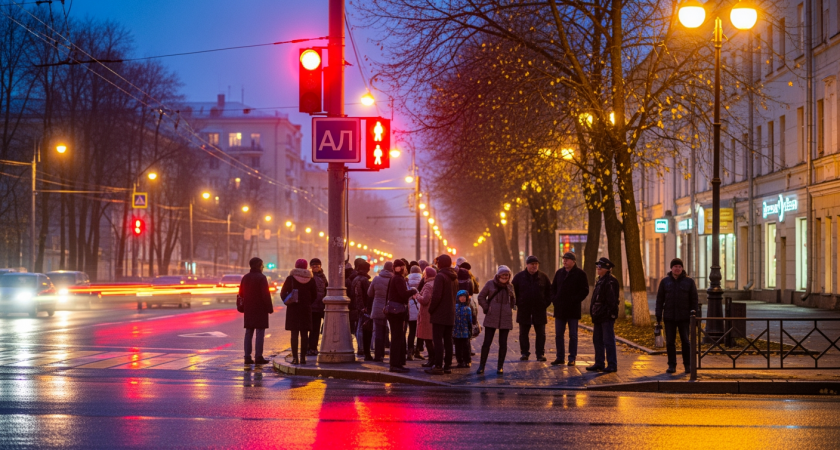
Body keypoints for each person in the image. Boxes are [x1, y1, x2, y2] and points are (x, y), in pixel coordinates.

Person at [656, 258, 699, 374]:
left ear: (682, 268)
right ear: (671, 268)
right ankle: (672, 365)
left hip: (684, 317)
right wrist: (658, 316)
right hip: (669, 317)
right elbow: (659, 299)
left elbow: (694, 299)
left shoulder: (689, 282)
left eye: (679, 267)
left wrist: (695, 315)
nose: (677, 268)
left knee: (686, 341)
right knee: (670, 342)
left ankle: (688, 365)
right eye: (675, 266)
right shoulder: (665, 282)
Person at [550, 252, 590, 366]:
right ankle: (560, 357)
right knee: (558, 334)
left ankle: (572, 357)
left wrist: (574, 300)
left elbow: (585, 290)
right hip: (560, 309)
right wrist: (554, 299)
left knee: (573, 335)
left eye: (567, 259)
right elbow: (553, 288)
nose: (564, 261)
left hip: (573, 309)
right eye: (563, 259)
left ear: (573, 261)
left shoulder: (580, 274)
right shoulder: (559, 273)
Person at [477, 265, 516, 374]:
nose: (505, 277)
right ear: (498, 275)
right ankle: (481, 366)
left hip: (505, 318)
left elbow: (513, 301)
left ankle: (500, 367)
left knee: (503, 343)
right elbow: (481, 297)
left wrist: (509, 308)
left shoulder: (510, 286)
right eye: (503, 275)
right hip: (491, 316)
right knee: (487, 342)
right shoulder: (490, 284)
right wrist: (486, 308)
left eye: (507, 275)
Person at [512, 256, 552, 362]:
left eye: (536, 264)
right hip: (524, 310)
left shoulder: (543, 277)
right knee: (523, 333)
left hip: (539, 310)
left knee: (541, 333)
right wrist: (518, 303)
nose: (534, 266)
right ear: (527, 264)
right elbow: (512, 292)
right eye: (532, 264)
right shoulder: (519, 277)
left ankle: (540, 354)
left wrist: (545, 303)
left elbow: (550, 292)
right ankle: (525, 353)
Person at [279, 259, 317, 365]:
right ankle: (303, 358)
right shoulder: (311, 279)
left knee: (294, 334)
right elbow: (314, 295)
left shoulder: (290, 278)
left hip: (293, 309)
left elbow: (283, 293)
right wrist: (307, 302)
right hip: (306, 309)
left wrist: (288, 301)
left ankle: (295, 358)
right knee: (304, 334)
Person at [586, 257, 620, 373]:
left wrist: (609, 314)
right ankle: (599, 363)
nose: (598, 269)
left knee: (608, 340)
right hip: (598, 315)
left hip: (605, 316)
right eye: (598, 267)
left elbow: (612, 301)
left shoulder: (610, 281)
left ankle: (612, 364)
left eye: (600, 267)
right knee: (597, 340)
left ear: (607, 269)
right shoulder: (600, 280)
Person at [425, 254, 457, 375]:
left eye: (438, 262)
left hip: (439, 313)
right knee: (448, 340)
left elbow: (436, 296)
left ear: (441, 263)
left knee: (437, 340)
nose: (437, 264)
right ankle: (447, 365)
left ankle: (438, 365)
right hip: (450, 313)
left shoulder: (440, 276)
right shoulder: (454, 277)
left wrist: (431, 309)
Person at [239, 257, 274, 365]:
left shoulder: (245, 277)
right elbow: (265, 295)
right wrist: (269, 308)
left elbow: (241, 294)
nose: (263, 267)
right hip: (260, 309)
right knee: (260, 333)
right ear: (259, 265)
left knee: (248, 333)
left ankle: (247, 357)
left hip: (249, 309)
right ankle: (258, 356)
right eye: (262, 265)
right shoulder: (262, 278)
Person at [385, 259, 417, 373]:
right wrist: (412, 291)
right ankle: (395, 365)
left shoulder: (396, 278)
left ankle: (397, 363)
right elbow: (403, 295)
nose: (406, 270)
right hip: (396, 312)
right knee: (397, 338)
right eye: (404, 267)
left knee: (397, 338)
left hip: (394, 311)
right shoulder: (398, 279)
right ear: (401, 268)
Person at [368, 261, 395, 362]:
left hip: (378, 308)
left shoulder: (376, 278)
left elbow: (369, 293)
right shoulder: (393, 279)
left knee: (378, 332)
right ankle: (394, 356)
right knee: (393, 332)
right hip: (391, 308)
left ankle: (378, 355)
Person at [351, 261, 374, 360]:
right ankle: (362, 349)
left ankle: (361, 348)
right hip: (363, 307)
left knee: (359, 328)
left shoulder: (355, 279)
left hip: (357, 307)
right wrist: (365, 307)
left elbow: (354, 294)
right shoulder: (364, 280)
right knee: (363, 329)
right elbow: (369, 294)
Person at [416, 266, 437, 367]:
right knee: (431, 338)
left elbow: (424, 300)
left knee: (428, 339)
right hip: (432, 314)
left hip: (426, 314)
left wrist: (417, 296)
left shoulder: (428, 285)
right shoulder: (435, 283)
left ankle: (431, 360)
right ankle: (432, 359)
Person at [308, 258, 328, 356]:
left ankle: (312, 347)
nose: (315, 268)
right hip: (311, 306)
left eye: (317, 266)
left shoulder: (323, 277)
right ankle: (309, 347)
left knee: (315, 328)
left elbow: (326, 289)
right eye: (313, 266)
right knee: (310, 328)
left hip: (319, 307)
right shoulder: (308, 277)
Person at [407, 265, 424, 360]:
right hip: (420, 307)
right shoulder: (423, 279)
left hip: (410, 307)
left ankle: (410, 352)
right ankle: (417, 350)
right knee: (420, 331)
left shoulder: (407, 280)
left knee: (411, 332)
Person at [453, 290, 474, 368]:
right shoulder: (455, 308)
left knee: (466, 346)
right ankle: (460, 361)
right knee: (458, 347)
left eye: (464, 297)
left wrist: (470, 330)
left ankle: (467, 360)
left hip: (465, 331)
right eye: (460, 297)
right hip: (456, 331)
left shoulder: (468, 308)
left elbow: (470, 321)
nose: (462, 298)